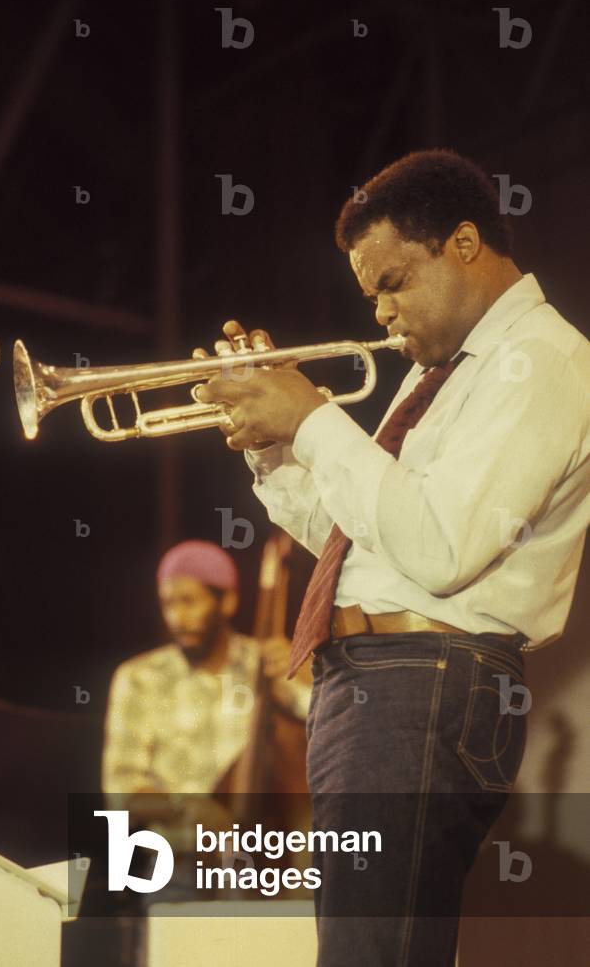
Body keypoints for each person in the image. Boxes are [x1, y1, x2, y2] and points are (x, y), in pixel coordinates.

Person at [195, 149, 590, 965]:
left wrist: (312, 419)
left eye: (393, 283)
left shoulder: (541, 357)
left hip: (425, 679)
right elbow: (361, 540)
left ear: (465, 244)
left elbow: (441, 550)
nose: (380, 313)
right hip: (376, 680)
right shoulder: (435, 376)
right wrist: (272, 443)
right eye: (370, 293)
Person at [102, 539, 310, 811]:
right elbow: (121, 792)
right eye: (168, 604)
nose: (177, 618)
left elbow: (328, 723)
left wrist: (309, 674)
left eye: (189, 602)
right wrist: (189, 810)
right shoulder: (139, 678)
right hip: (174, 838)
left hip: (261, 835)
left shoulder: (263, 664)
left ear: (227, 602)